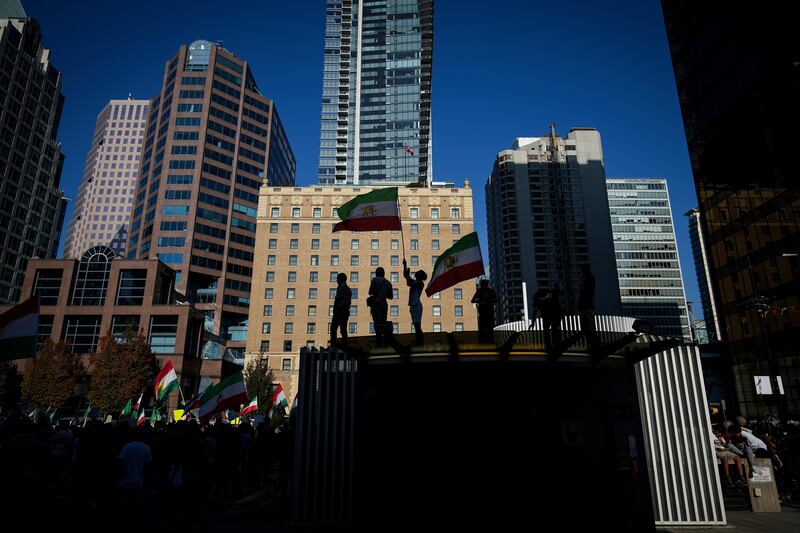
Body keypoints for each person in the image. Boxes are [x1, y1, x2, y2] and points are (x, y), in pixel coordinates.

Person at [403, 259, 427, 345]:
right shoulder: (416, 282)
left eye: (419, 272)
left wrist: (407, 274)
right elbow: (407, 279)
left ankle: (420, 342)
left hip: (416, 306)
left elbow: (409, 280)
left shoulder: (420, 283)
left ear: (420, 276)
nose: (417, 272)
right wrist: (404, 266)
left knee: (417, 326)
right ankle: (419, 342)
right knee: (416, 326)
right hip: (414, 305)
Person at [368, 267, 393, 347]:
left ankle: (379, 344)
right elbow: (390, 296)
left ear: (376, 273)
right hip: (384, 305)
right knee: (383, 324)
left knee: (377, 325)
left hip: (376, 305)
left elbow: (370, 292)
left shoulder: (374, 280)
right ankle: (384, 344)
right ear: (383, 273)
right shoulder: (388, 283)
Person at [534, 284, 562, 351]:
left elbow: (535, 311)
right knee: (550, 329)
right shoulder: (542, 301)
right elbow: (535, 311)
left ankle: (554, 343)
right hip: (550, 315)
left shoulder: (549, 296)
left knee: (552, 329)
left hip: (553, 314)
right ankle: (552, 344)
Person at [578, 264, 598, 349]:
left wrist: (582, 282)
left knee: (589, 327)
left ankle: (594, 344)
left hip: (587, 307)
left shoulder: (589, 279)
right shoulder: (589, 279)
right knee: (587, 327)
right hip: (586, 307)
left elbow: (585, 292)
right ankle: (591, 344)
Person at [471, 279, 497, 343]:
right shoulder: (480, 291)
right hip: (483, 311)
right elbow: (472, 300)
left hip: (489, 311)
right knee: (483, 326)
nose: (484, 286)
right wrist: (480, 301)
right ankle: (483, 340)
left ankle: (490, 340)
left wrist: (489, 301)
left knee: (489, 326)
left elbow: (496, 300)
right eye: (483, 285)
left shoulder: (490, 291)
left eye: (485, 284)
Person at [330, 273, 352, 345]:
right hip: (345, 311)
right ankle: (344, 344)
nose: (336, 280)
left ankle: (333, 344)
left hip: (339, 310)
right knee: (343, 329)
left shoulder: (341, 287)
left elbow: (337, 299)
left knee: (333, 328)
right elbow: (348, 302)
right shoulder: (348, 289)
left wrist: (335, 310)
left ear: (341, 279)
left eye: (338, 278)